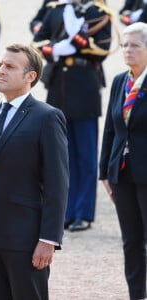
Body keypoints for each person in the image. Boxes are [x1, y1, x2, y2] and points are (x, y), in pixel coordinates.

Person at [0, 43, 69, 300]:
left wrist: (48, 239)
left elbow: (57, 183)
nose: (1, 70)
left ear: (30, 76)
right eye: (0, 65)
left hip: (25, 240)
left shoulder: (47, 117)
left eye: (10, 66)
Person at [32, 0, 112, 231]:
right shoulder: (56, 10)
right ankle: (64, 211)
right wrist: (54, 49)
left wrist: (77, 37)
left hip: (84, 85)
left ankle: (83, 212)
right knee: (59, 155)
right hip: (59, 86)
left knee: (85, 155)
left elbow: (102, 48)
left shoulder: (98, 12)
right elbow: (38, 40)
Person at [99, 22, 147, 300]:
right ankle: (136, 295)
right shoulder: (120, 81)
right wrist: (105, 170)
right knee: (131, 241)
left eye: (135, 45)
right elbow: (110, 129)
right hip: (123, 173)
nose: (127, 50)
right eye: (125, 45)